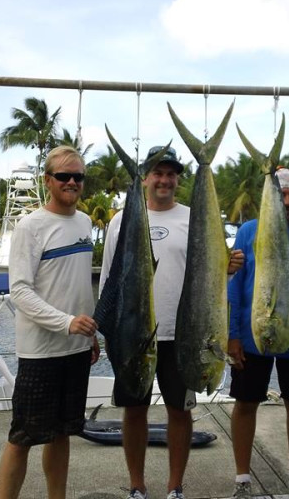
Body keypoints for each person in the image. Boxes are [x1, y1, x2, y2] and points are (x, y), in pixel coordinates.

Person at [99, 146, 242, 499]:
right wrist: (107, 333)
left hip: (185, 334)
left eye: (171, 173)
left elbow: (211, 273)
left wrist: (226, 267)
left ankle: (175, 488)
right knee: (134, 412)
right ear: (145, 178)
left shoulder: (195, 218)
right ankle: (136, 486)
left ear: (178, 179)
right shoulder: (121, 220)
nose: (164, 179)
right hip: (134, 334)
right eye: (157, 173)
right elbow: (108, 279)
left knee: (181, 411)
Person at [0, 147, 100, 499]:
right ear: (48, 181)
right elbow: (20, 292)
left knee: (62, 433)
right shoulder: (30, 227)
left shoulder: (84, 223)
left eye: (78, 177)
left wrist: (89, 332)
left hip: (76, 348)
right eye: (64, 176)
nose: (72, 182)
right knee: (23, 436)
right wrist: (67, 322)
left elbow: (78, 285)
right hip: (40, 352)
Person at [227, 168, 289, 499]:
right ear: (268, 197)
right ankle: (242, 478)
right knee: (245, 403)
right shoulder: (247, 232)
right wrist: (233, 334)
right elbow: (236, 285)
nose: (287, 202)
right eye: (280, 194)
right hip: (251, 336)